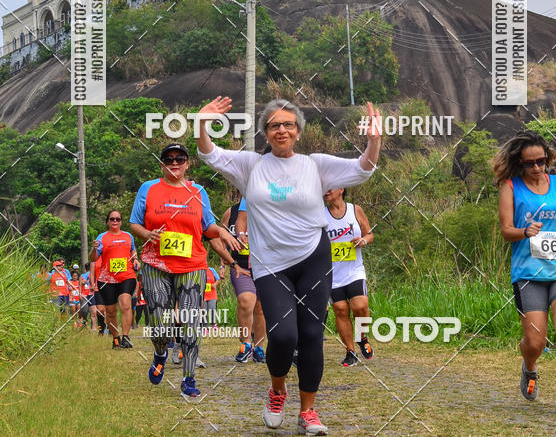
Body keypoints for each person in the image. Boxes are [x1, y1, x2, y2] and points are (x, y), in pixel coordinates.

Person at [196, 96, 382, 435]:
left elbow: (362, 168)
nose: (281, 130)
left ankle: (308, 411)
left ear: (298, 131)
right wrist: (201, 123)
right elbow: (209, 153)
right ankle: (277, 390)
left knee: (311, 335)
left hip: (314, 257)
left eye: (288, 124)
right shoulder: (250, 165)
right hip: (270, 263)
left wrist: (374, 141)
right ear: (266, 132)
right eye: (274, 125)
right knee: (282, 336)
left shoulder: (315, 165)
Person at [129, 142, 240, 400]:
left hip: (192, 265)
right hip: (155, 263)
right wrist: (147, 233)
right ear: (162, 164)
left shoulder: (198, 191)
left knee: (191, 322)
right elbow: (134, 222)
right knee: (158, 323)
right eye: (169, 159)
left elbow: (208, 227)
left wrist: (222, 232)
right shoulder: (148, 188)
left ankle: (189, 378)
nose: (175, 163)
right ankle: (160, 353)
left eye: (180, 158)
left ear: (188, 163)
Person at [494, 132, 556, 417]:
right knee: (535, 341)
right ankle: (529, 365)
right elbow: (506, 231)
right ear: (520, 164)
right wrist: (525, 231)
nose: (536, 168)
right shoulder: (511, 188)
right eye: (529, 163)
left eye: (541, 161)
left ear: (549, 159)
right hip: (529, 271)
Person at [324, 188, 374, 366]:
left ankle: (362, 337)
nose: (326, 191)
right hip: (332, 274)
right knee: (340, 309)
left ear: (341, 189)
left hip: (354, 271)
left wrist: (363, 241)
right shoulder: (320, 215)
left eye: (330, 188)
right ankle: (350, 351)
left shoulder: (355, 210)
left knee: (360, 307)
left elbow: (369, 234)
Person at [221, 195, 267, 363]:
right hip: (240, 266)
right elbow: (221, 239)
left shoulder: (266, 205)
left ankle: (259, 348)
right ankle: (246, 344)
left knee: (261, 308)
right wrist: (224, 263)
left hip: (264, 265)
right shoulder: (230, 212)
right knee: (246, 300)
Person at [90, 210, 140, 350]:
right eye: (112, 219)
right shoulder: (102, 237)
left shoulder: (128, 236)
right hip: (107, 279)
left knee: (125, 304)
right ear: (108, 221)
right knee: (111, 311)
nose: (115, 221)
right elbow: (93, 258)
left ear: (121, 221)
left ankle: (126, 337)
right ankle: (116, 338)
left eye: (118, 219)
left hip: (126, 276)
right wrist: (94, 250)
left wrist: (135, 259)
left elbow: (133, 250)